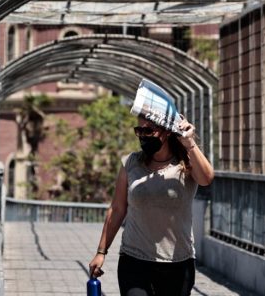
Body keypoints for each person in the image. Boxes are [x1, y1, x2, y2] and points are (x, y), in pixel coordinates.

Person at [88, 115, 214, 296]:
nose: (143, 136)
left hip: (177, 263)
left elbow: (207, 179)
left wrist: (189, 143)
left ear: (168, 132)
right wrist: (101, 252)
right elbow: (117, 209)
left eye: (148, 130)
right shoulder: (131, 163)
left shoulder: (186, 163)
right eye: (139, 130)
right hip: (134, 259)